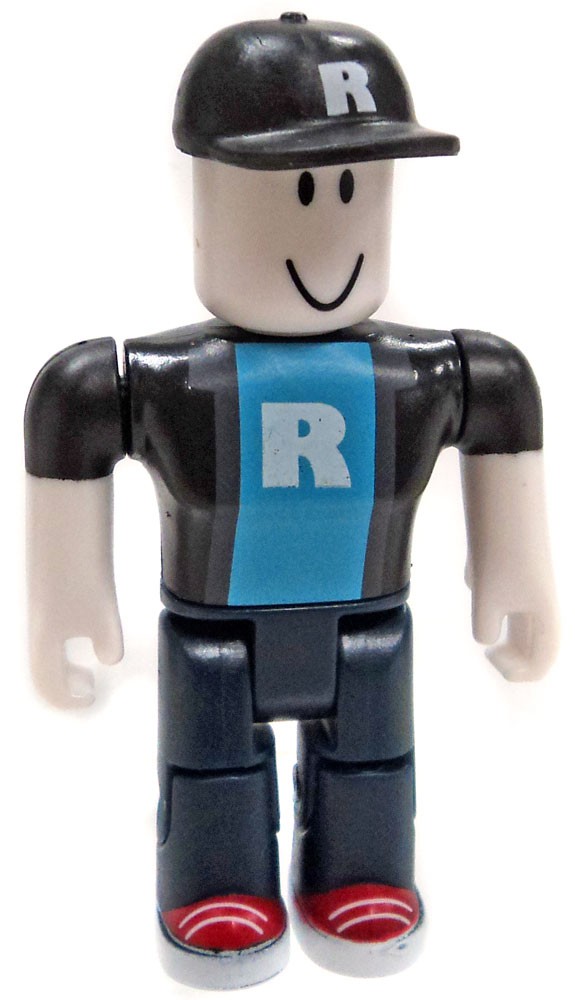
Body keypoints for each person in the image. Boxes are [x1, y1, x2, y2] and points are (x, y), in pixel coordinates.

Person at [25, 13, 558, 989]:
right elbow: (70, 411)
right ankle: (213, 881)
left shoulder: (422, 372)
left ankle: (360, 870)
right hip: (214, 631)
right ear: (204, 194)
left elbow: (503, 406)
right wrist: (67, 599)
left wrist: (513, 573)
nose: (328, 229)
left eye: (353, 186)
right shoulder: (169, 380)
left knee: (371, 764)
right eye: (304, 186)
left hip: (368, 621)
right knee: (212, 769)